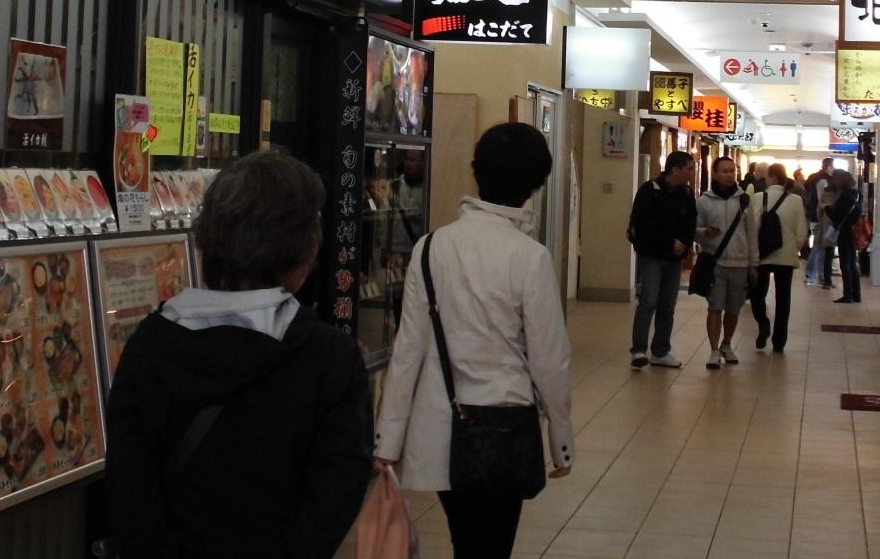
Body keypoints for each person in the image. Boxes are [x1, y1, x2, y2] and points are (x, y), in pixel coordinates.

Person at [106, 150, 373, 559]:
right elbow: (332, 501)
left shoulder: (150, 344)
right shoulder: (331, 359)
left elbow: (129, 493)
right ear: (302, 255)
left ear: (207, 242)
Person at [375, 123, 574, 559]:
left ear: (477, 172)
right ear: (534, 185)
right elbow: (549, 360)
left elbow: (407, 350)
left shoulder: (431, 248)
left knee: (465, 541)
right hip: (505, 427)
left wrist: (386, 441)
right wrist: (561, 441)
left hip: (441, 431)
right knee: (493, 546)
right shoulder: (530, 257)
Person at [627, 151, 697, 369]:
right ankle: (639, 350)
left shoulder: (686, 193)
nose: (692, 173)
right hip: (652, 255)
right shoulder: (649, 191)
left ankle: (660, 351)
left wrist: (684, 243)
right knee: (648, 300)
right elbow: (644, 225)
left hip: (675, 258)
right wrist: (670, 243)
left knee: (667, 305)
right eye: (689, 169)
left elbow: (691, 222)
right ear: (675, 170)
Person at [695, 156, 757, 369]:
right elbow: (694, 230)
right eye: (725, 171)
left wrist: (753, 264)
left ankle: (726, 344)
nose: (729, 175)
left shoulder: (744, 200)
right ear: (715, 173)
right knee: (715, 307)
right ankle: (714, 350)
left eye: (732, 171)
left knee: (733, 308)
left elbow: (752, 234)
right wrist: (705, 232)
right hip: (716, 262)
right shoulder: (704, 201)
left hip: (740, 263)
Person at [748, 163, 809, 352]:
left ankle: (763, 324)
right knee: (783, 299)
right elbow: (802, 231)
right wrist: (793, 247)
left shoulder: (758, 198)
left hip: (762, 254)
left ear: (772, 177)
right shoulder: (796, 200)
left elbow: (752, 228)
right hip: (786, 256)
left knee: (757, 294)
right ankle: (779, 341)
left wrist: (753, 252)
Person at [827, 170, 864, 303]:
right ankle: (856, 294)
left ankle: (848, 294)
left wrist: (826, 208)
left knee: (845, 263)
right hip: (853, 231)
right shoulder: (857, 195)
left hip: (845, 232)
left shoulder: (845, 197)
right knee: (852, 263)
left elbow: (836, 216)